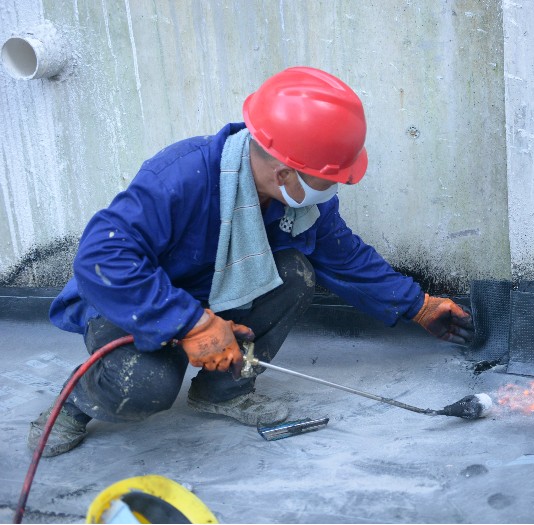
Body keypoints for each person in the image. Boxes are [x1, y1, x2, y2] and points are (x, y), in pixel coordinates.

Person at [28, 66, 474, 457]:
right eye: (330, 178)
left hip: (213, 294)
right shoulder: (182, 177)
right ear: (285, 173)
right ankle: (74, 402)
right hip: (135, 302)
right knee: (145, 387)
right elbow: (102, 257)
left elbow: (345, 257)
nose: (337, 186)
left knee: (295, 273)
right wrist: (190, 323)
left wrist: (418, 305)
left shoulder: (298, 201)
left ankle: (224, 391)